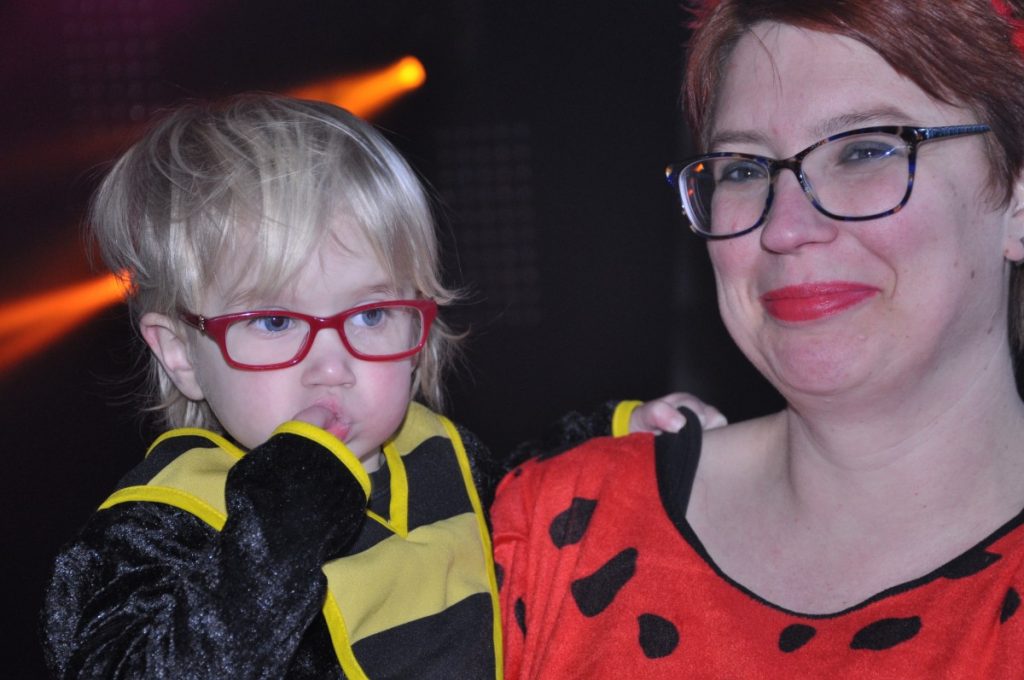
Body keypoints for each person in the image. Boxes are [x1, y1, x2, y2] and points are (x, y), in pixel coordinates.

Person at [39, 93, 722, 679]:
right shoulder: (162, 519)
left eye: (370, 315)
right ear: (180, 352)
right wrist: (288, 511)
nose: (332, 365)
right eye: (274, 321)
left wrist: (613, 435)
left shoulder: (433, 449)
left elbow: (520, 504)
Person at [492, 0, 1024, 677]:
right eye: (744, 169)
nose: (785, 228)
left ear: (1016, 199)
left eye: (864, 151)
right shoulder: (556, 529)